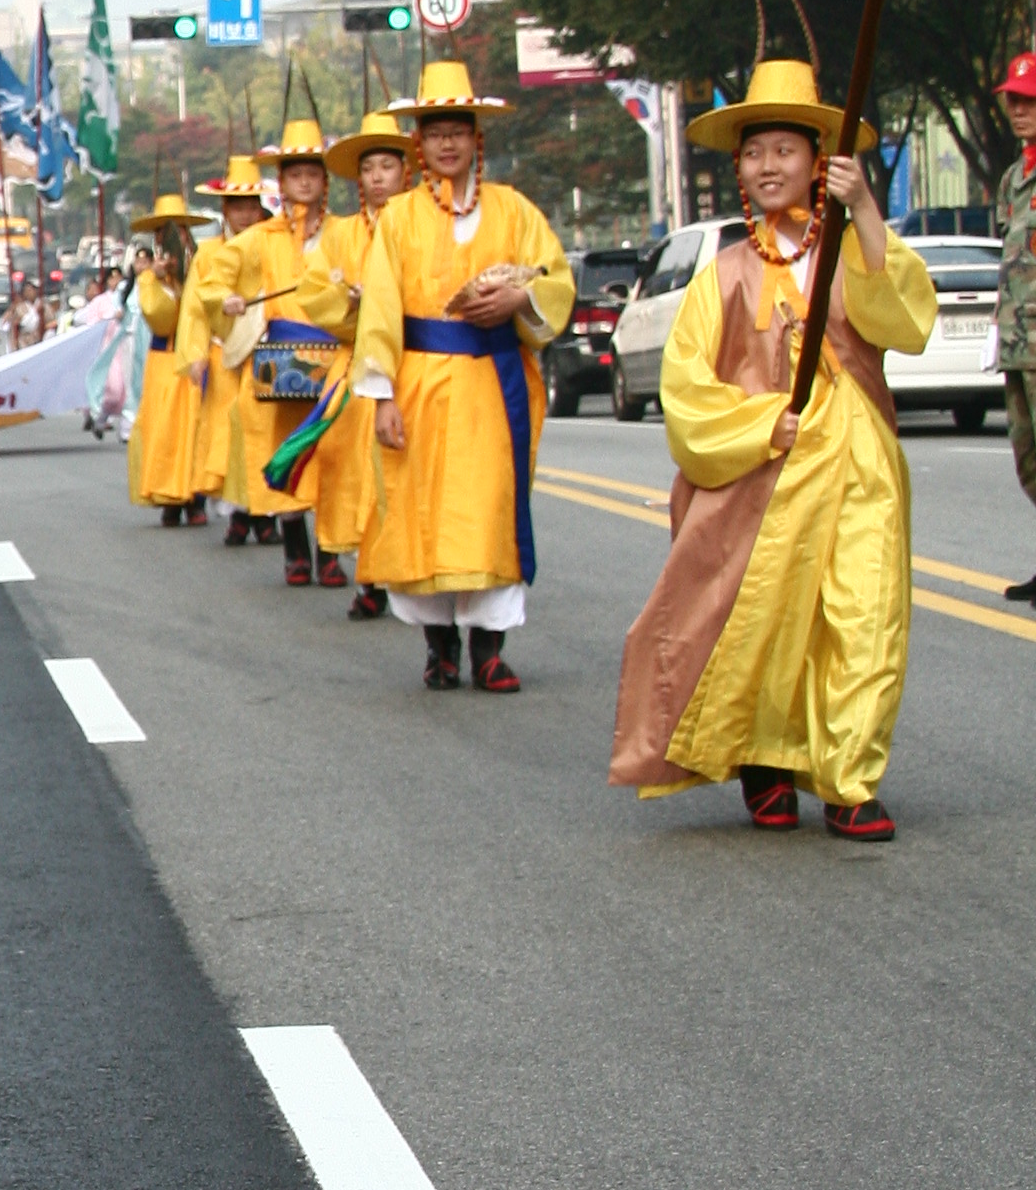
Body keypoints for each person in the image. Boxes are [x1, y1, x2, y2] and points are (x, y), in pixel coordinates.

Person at [611, 61, 936, 837]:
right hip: (766, 475)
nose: (768, 168)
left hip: (858, 463)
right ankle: (765, 760)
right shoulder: (722, 272)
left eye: (786, 152)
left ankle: (851, 780)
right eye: (756, 154)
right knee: (761, 623)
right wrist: (761, 426)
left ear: (818, 162)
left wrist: (867, 216)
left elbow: (904, 324)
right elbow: (686, 391)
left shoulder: (855, 248)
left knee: (863, 617)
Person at [347, 61, 575, 693]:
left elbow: (554, 279)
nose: (448, 143)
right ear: (418, 142)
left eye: (460, 130)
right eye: (435, 131)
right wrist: (382, 396)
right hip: (420, 380)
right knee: (421, 513)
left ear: (478, 138)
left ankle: (490, 649)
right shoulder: (396, 219)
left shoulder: (515, 210)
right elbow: (381, 311)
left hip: (495, 383)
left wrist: (518, 303)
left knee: (491, 508)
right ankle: (439, 645)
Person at [231, 120, 361, 586]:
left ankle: (329, 550)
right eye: (295, 174)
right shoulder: (260, 238)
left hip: (335, 358)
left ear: (326, 180)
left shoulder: (347, 232)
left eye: (313, 173)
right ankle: (295, 548)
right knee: (286, 451)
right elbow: (220, 277)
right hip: (282, 363)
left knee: (331, 454)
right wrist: (227, 299)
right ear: (280, 183)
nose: (305, 182)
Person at [320, 114, 410, 617]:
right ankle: (368, 578)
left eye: (386, 166)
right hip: (354, 368)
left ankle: (397, 573)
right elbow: (316, 291)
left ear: (405, 171)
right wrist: (352, 303)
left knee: (398, 475)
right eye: (368, 168)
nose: (377, 177)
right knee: (357, 475)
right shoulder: (341, 234)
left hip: (412, 368)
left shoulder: (424, 224)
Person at [172, 156, 271, 538]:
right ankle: (239, 513)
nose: (246, 215)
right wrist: (195, 354)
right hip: (225, 352)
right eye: (237, 206)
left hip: (267, 350)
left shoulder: (272, 243)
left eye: (251, 206)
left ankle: (265, 512)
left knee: (263, 430)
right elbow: (195, 308)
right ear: (224, 209)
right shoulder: (209, 253)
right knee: (228, 433)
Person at [125, 195, 211, 520]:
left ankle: (196, 498)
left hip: (197, 359)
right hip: (165, 362)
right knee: (166, 431)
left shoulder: (202, 269)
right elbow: (158, 316)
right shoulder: (151, 279)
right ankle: (170, 499)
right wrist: (153, 278)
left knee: (197, 429)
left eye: (180, 232)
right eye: (164, 234)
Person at [998, 50, 1036, 606]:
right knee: (1028, 456)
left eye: (1029, 100)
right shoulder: (1012, 178)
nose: (1019, 108)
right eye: (1013, 99)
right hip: (1017, 342)